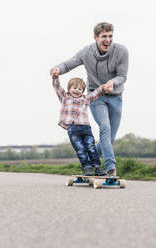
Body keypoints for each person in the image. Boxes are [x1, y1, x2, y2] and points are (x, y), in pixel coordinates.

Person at [50, 22, 129, 176]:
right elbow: (69, 63)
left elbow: (122, 76)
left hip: (116, 97)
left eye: (110, 36)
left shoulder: (121, 51)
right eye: (104, 36)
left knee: (109, 138)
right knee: (104, 127)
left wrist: (112, 83)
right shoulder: (87, 52)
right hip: (95, 96)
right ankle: (110, 167)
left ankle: (90, 160)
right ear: (95, 37)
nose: (108, 40)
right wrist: (57, 69)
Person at [51, 72, 111, 176]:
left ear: (83, 91)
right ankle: (87, 167)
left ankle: (97, 167)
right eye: (74, 88)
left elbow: (95, 94)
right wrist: (55, 78)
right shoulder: (64, 97)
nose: (77, 91)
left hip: (86, 128)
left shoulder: (85, 99)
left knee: (91, 147)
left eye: (80, 89)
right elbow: (57, 87)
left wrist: (102, 87)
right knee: (80, 149)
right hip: (73, 129)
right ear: (69, 89)